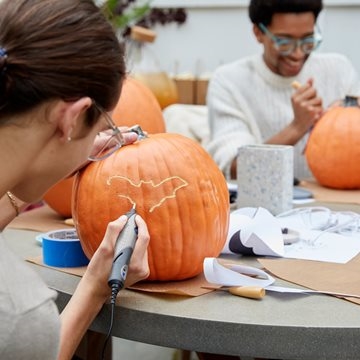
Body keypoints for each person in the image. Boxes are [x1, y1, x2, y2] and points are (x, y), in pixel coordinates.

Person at [0, 1, 150, 359]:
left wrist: (38, 166)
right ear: (73, 117)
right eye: (101, 127)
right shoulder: (18, 310)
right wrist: (96, 287)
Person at [206, 0, 360, 181]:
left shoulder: (339, 69)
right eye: (284, 42)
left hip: (337, 200)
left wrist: (344, 117)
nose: (297, 54)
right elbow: (234, 168)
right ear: (258, 33)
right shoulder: (229, 81)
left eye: (308, 41)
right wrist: (297, 127)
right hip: (261, 207)